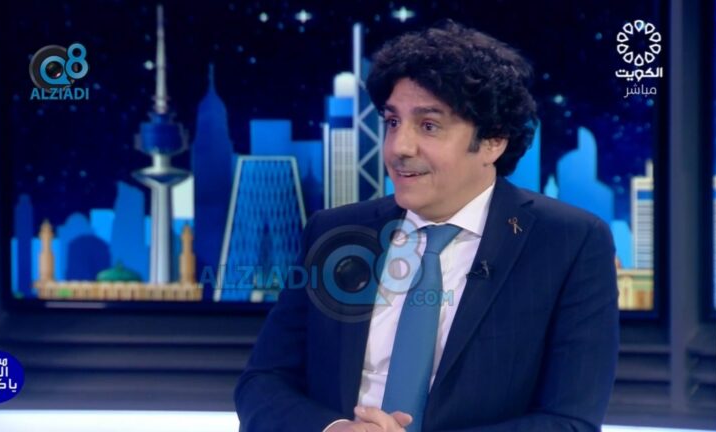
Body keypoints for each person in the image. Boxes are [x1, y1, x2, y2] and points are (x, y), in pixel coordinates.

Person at [235, 20, 619, 432]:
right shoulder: (333, 232)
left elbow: (570, 422)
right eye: (392, 122)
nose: (399, 147)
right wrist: (335, 430)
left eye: (429, 126)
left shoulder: (569, 242)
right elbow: (262, 383)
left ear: (493, 141)